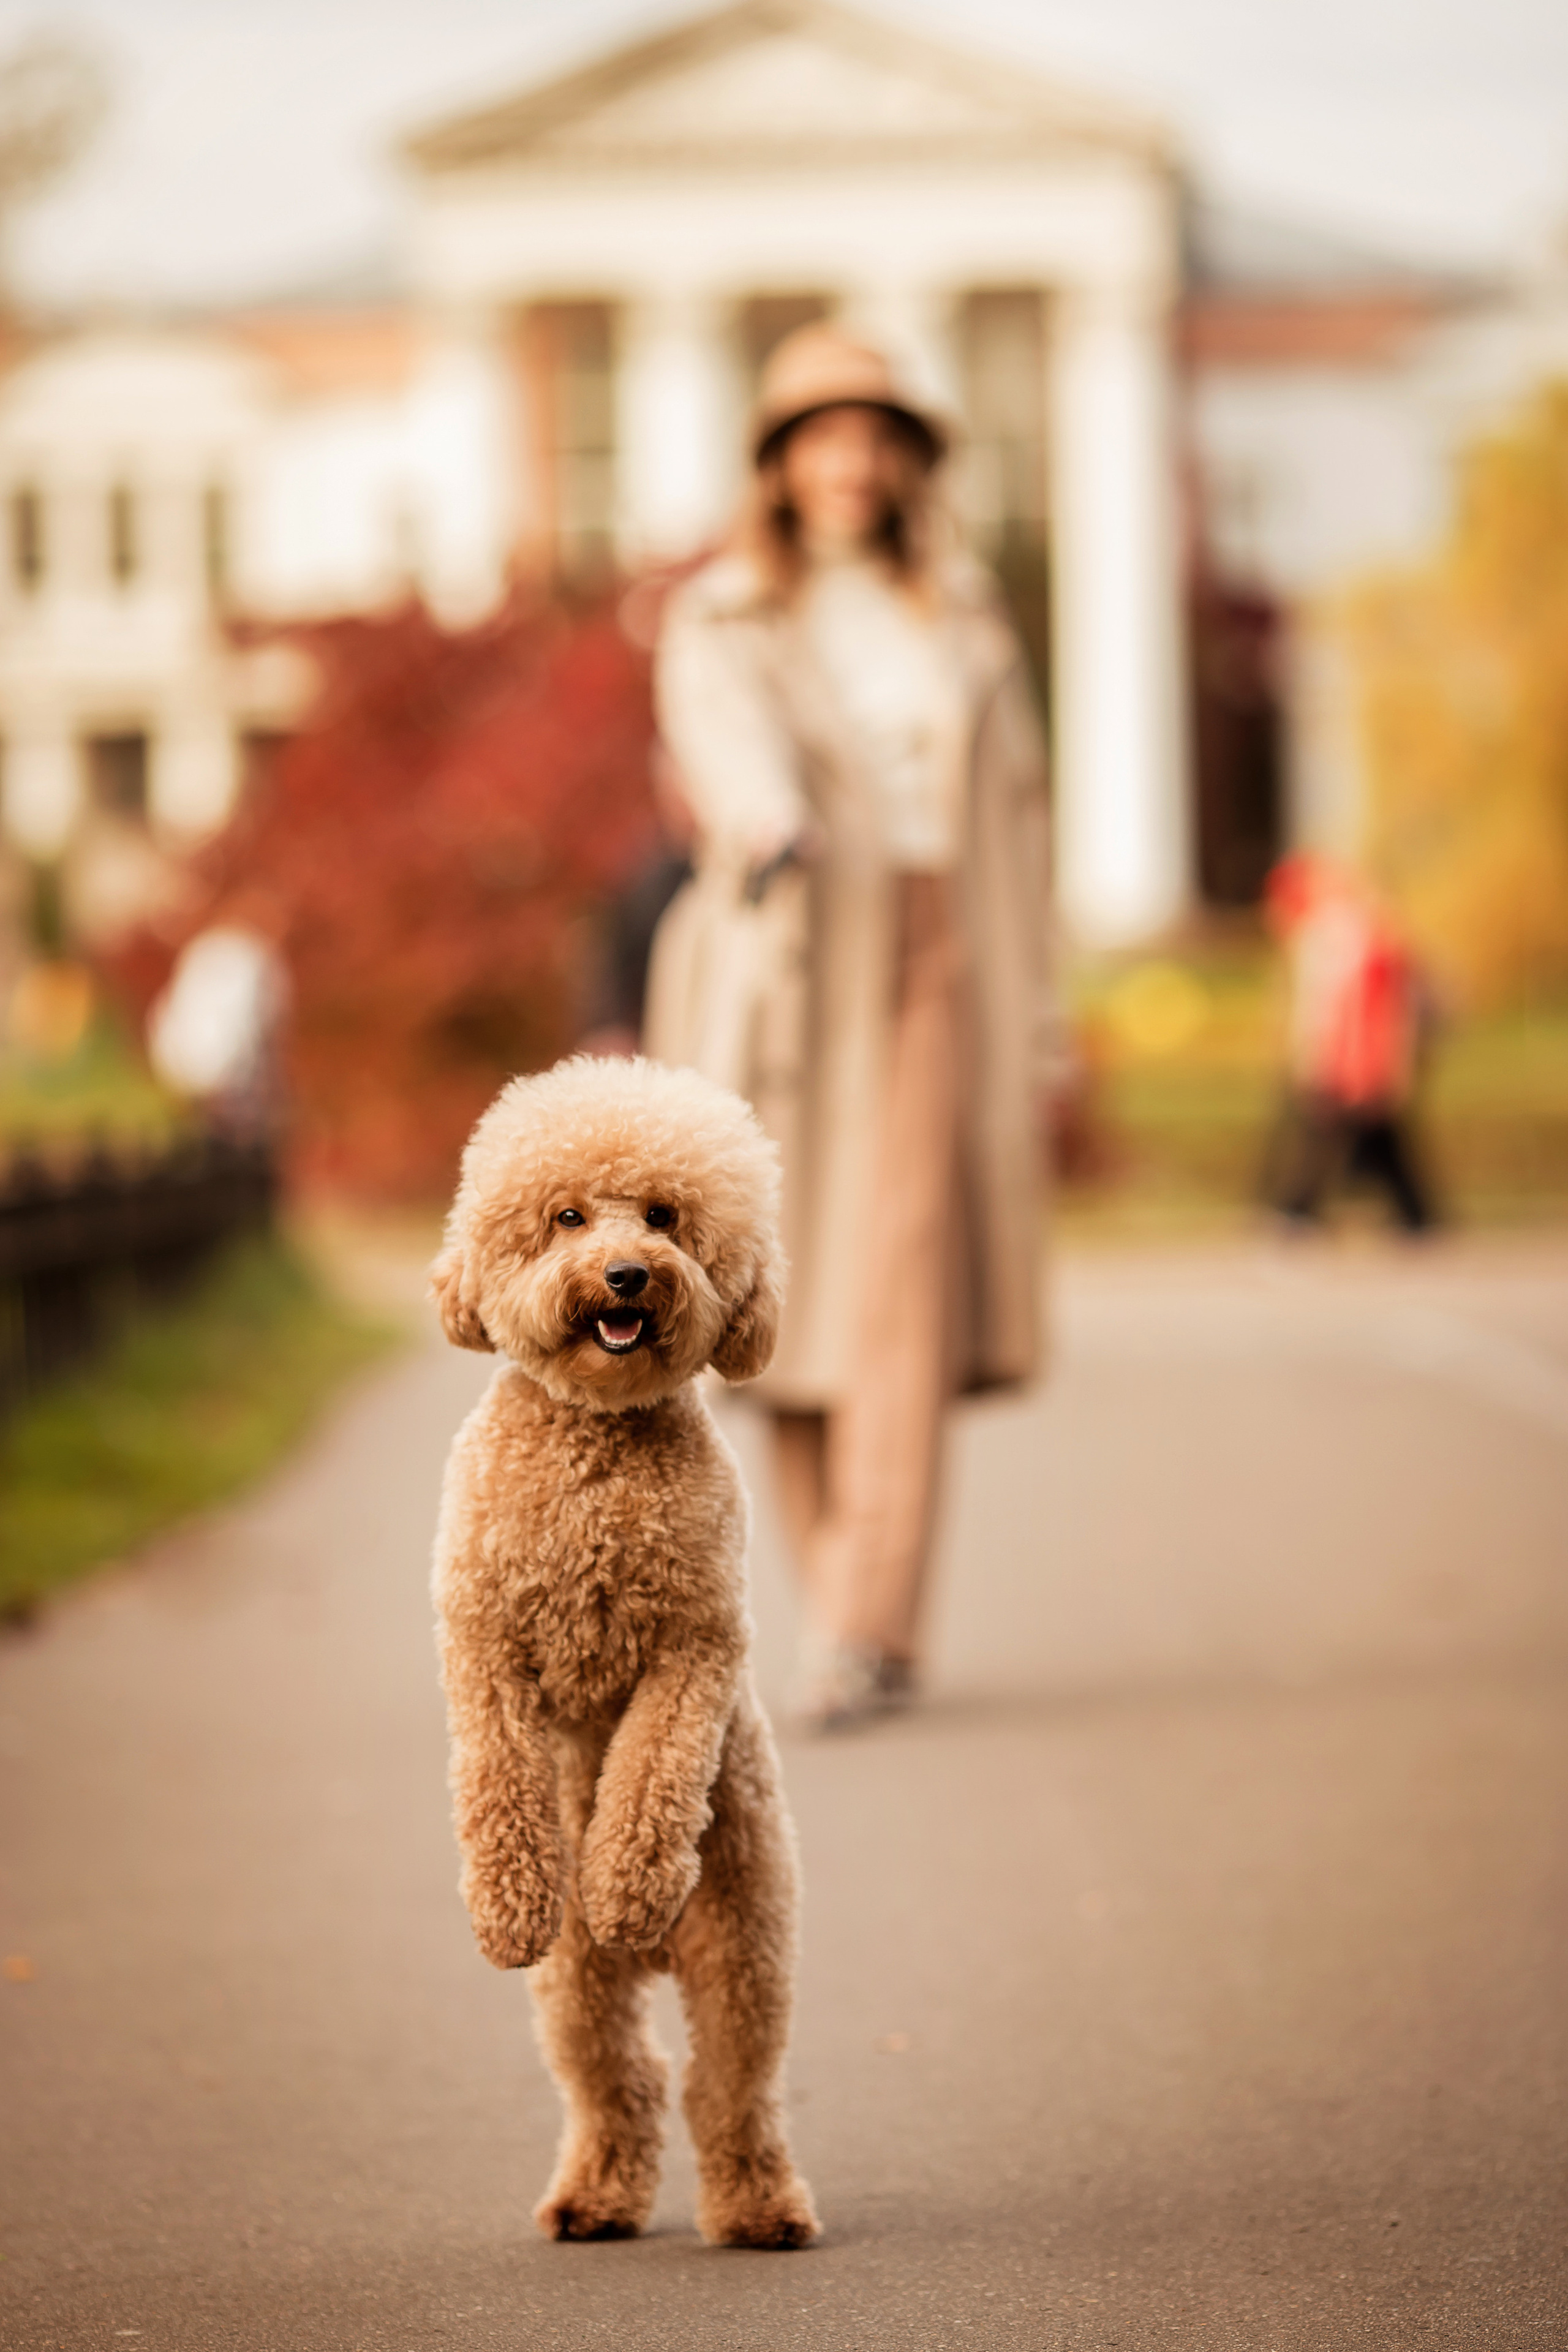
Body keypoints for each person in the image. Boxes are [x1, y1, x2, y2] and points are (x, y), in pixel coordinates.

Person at [644, 323, 1055, 1728]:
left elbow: (1020, 815)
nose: (850, 460)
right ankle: (844, 1609)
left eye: (876, 433)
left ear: (909, 458)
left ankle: (864, 1623)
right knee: (793, 1305)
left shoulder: (961, 609)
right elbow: (724, 747)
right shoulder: (723, 614)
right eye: (822, 434)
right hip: (792, 953)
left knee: (900, 1291)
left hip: (942, 949)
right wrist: (764, 818)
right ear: (777, 459)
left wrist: (1038, 1006)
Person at [1264, 853, 1438, 1232]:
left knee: (1331, 1129)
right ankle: (1415, 1214)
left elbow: (1375, 1005)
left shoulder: (1355, 937)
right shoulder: (1335, 934)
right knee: (1372, 1134)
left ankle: (1297, 1211)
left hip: (1358, 1053)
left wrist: (1389, 1057)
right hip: (1346, 1051)